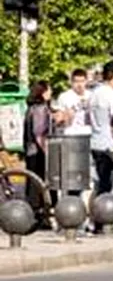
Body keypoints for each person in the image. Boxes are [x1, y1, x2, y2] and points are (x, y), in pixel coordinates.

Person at [87, 61, 113, 197]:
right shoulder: (112, 96)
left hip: (95, 141)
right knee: (109, 184)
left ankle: (96, 210)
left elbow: (89, 118)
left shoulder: (93, 94)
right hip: (110, 144)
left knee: (99, 181)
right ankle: (105, 214)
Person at [22, 81, 53, 226]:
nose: (51, 92)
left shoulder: (31, 109)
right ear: (42, 92)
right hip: (37, 152)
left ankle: (35, 214)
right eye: (49, 90)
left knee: (33, 184)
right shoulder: (40, 109)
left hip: (30, 151)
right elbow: (39, 133)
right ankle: (39, 216)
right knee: (38, 185)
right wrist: (47, 151)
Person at [55, 69, 92, 135]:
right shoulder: (64, 96)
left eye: (82, 81)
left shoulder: (91, 96)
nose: (79, 84)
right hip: (71, 134)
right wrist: (66, 116)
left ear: (86, 81)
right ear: (71, 82)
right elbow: (58, 120)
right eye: (76, 81)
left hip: (89, 133)